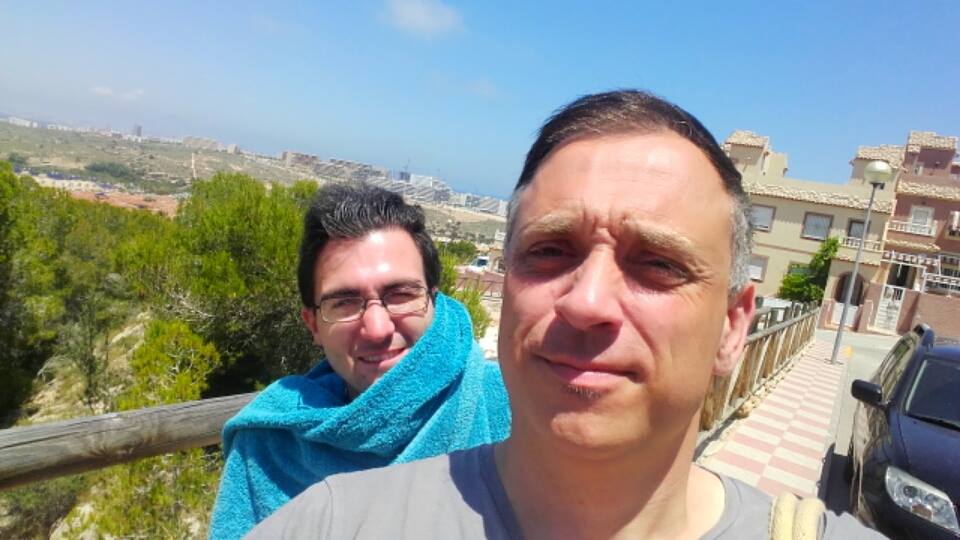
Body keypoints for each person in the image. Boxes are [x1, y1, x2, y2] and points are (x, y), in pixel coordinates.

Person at [246, 91, 884, 539]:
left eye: (658, 262)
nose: (586, 301)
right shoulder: (332, 523)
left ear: (733, 326)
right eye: (550, 251)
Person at [208, 183, 511, 539]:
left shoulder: (513, 407)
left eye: (401, 294)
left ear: (433, 301)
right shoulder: (269, 448)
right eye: (345, 302)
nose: (377, 329)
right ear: (313, 325)